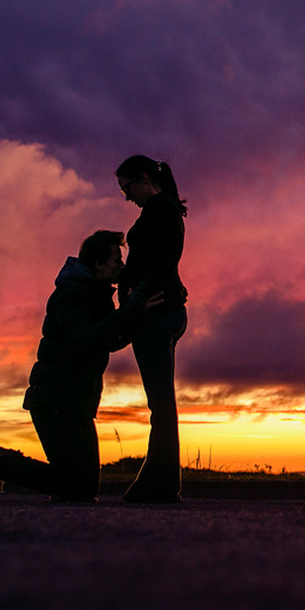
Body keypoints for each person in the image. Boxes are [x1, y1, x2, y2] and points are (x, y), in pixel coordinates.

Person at [0, 230, 154, 502]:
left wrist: (135, 316)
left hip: (78, 400)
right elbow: (83, 338)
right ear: (98, 263)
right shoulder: (72, 292)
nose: (121, 266)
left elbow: (106, 340)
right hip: (54, 399)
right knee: (72, 486)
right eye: (116, 260)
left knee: (84, 489)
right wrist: (130, 312)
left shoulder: (97, 293)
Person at [115, 155, 188, 503]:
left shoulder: (161, 211)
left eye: (127, 188)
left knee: (161, 403)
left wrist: (136, 302)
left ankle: (160, 484)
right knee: (160, 402)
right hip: (161, 312)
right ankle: (159, 482)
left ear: (144, 178)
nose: (127, 196)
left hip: (157, 315)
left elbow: (161, 263)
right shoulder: (161, 210)